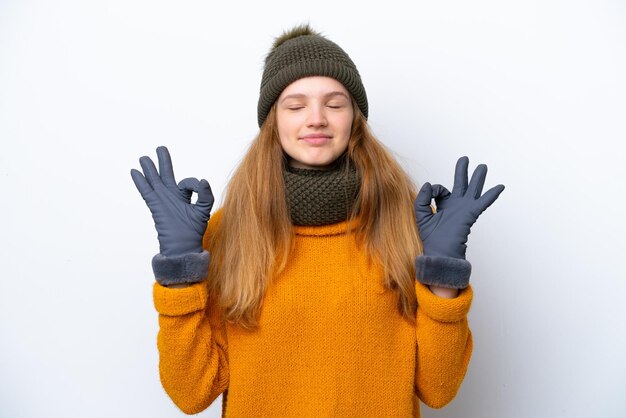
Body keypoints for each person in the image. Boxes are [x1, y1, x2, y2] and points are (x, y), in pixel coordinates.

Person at [131, 24, 504, 418]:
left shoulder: (408, 229)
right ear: (272, 120)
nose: (316, 119)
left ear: (355, 118)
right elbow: (191, 394)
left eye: (335, 103)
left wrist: (444, 274)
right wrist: (179, 274)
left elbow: (438, 388)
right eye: (295, 106)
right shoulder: (228, 234)